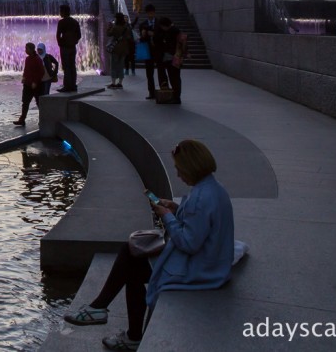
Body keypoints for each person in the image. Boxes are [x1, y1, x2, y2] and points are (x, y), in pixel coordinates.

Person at [64, 140, 234, 351]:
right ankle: (103, 310)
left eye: (180, 169)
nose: (178, 175)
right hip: (213, 260)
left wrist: (167, 217)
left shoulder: (201, 197)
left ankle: (113, 319)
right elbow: (200, 223)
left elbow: (189, 243)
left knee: (132, 263)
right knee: (132, 256)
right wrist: (176, 208)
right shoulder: (213, 189)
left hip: (201, 269)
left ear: (192, 168)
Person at [154, 17, 186, 104]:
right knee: (175, 77)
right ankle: (176, 96)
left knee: (174, 77)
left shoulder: (172, 31)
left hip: (172, 57)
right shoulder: (176, 30)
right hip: (176, 57)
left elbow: (169, 45)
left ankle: (176, 97)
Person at [14, 42, 45, 126]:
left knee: (39, 103)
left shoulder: (37, 59)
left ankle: (43, 119)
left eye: (26, 48)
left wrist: (35, 82)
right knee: (25, 102)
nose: (25, 50)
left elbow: (41, 72)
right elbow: (26, 70)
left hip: (36, 85)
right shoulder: (27, 59)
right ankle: (22, 120)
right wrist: (24, 77)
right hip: (27, 84)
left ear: (31, 50)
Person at [56, 4, 81, 92]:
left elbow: (58, 35)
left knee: (66, 67)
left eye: (60, 11)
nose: (60, 13)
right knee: (72, 66)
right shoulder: (75, 22)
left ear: (63, 12)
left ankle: (67, 86)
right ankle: (73, 85)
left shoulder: (61, 22)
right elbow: (79, 35)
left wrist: (60, 44)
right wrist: (74, 42)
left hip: (64, 47)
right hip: (72, 47)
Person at [105, 13, 133, 89]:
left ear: (117, 19)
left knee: (113, 66)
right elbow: (129, 37)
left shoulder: (115, 27)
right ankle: (120, 83)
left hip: (115, 49)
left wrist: (109, 27)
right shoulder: (126, 28)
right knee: (121, 66)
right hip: (124, 49)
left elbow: (108, 34)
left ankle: (113, 83)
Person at [137, 5, 160, 100]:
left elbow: (164, 35)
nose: (150, 14)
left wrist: (154, 34)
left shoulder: (159, 23)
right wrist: (142, 36)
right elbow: (142, 40)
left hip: (159, 50)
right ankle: (151, 92)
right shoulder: (143, 25)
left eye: (152, 12)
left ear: (154, 13)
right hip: (148, 51)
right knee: (149, 73)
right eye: (149, 13)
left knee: (161, 71)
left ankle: (164, 90)